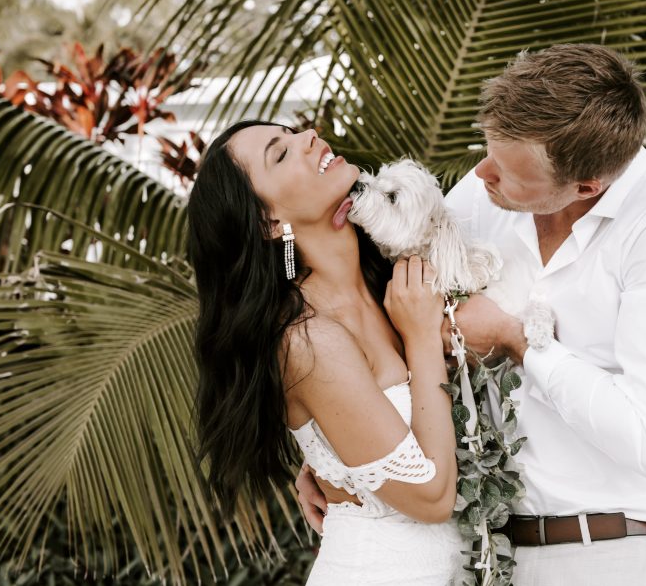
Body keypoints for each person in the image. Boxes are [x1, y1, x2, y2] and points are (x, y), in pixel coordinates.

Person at [297, 44, 646, 585]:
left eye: (505, 171)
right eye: (487, 150)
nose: (481, 173)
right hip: (482, 555)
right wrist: (351, 449)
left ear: (585, 188)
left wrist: (516, 340)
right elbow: (409, 336)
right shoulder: (488, 195)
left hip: (606, 551)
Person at [187, 120, 464, 585]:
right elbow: (432, 497)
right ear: (269, 222)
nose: (309, 137)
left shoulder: (394, 283)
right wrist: (419, 340)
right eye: (281, 153)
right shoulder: (308, 338)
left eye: (294, 131)